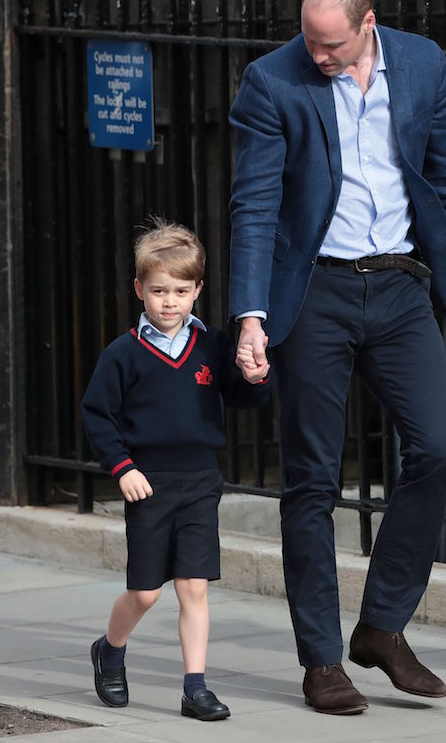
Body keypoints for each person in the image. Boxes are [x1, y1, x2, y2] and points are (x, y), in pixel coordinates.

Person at [228, 0, 446, 714]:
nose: (315, 55)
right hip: (313, 291)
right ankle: (322, 659)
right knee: (313, 481)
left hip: (398, 284)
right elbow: (254, 206)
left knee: (439, 448)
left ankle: (382, 625)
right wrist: (250, 314)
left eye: (329, 44)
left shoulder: (420, 63)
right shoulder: (272, 81)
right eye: (307, 39)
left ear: (367, 21)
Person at [81, 220, 271, 722]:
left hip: (200, 482)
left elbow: (245, 396)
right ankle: (111, 649)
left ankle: (195, 687)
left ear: (198, 291)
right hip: (147, 484)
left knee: (194, 587)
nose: (170, 301)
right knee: (145, 591)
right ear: (139, 288)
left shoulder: (212, 345)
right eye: (159, 290)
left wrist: (256, 377)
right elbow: (96, 416)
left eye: (182, 291)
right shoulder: (122, 355)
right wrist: (121, 468)